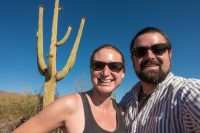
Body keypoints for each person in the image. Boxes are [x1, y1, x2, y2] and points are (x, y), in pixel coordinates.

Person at [13, 44, 126, 133]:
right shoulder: (70, 105)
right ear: (91, 69)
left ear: (123, 73)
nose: (106, 73)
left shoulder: (122, 111)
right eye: (98, 65)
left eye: (114, 66)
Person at [120, 27, 200, 133]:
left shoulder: (186, 91)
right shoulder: (127, 98)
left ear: (169, 53)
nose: (150, 56)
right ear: (132, 59)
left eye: (159, 49)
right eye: (140, 51)